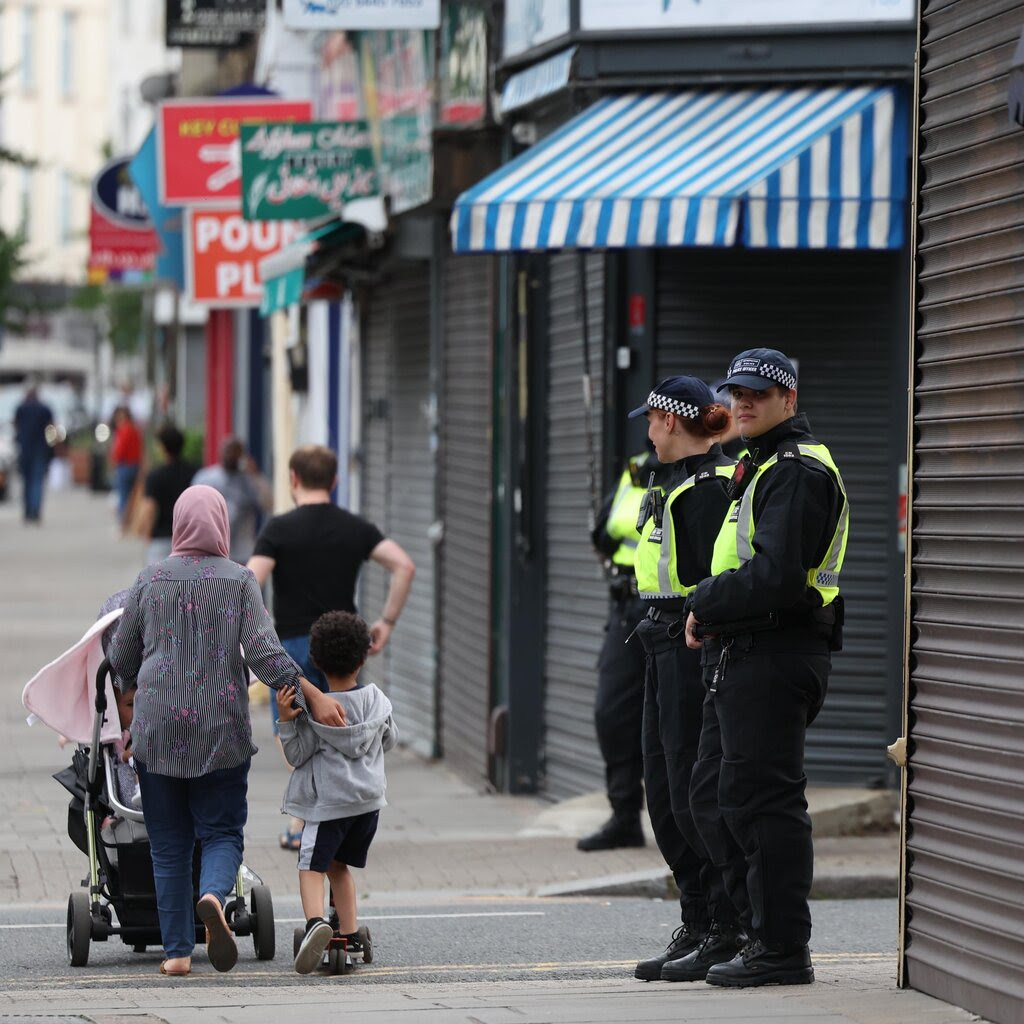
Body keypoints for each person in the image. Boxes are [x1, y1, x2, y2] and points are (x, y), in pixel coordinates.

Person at [109, 484, 346, 977]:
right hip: (220, 729)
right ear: (219, 524)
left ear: (178, 524)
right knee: (220, 833)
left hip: (159, 729)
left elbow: (121, 659)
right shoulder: (239, 581)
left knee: (168, 843)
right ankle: (213, 896)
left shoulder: (150, 579)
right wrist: (313, 694)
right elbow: (264, 654)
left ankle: (176, 954)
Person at [684, 348, 849, 988]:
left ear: (789, 401)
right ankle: (748, 930)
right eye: (736, 393)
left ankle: (782, 947)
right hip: (743, 650)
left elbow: (777, 578)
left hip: (777, 653)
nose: (743, 402)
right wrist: (716, 611)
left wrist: (703, 601)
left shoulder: (798, 471)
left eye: (758, 393)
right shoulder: (758, 467)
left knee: (766, 803)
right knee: (714, 795)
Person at [626, 376, 740, 984]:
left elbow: (711, 580)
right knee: (663, 789)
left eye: (649, 419)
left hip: (691, 647)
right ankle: (696, 918)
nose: (645, 430)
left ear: (670, 421)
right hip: (659, 641)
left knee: (691, 783)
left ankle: (723, 925)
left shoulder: (709, 489)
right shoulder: (668, 484)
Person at [248, 445, 413, 851]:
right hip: (342, 647)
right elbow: (403, 566)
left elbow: (250, 578)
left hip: (291, 648)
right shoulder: (355, 527)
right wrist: (386, 622)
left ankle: (305, 822)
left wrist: (259, 622)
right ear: (335, 482)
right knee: (346, 729)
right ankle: (343, 818)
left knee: (292, 731)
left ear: (293, 480)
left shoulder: (278, 529)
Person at [276, 610, 397, 974]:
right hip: (369, 804)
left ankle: (316, 925)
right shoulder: (378, 701)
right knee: (338, 867)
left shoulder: (317, 711)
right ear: (363, 657)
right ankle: (350, 933)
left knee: (310, 866)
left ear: (315, 661)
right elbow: (389, 740)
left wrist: (286, 720)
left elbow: (297, 755)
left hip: (328, 806)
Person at [577, 447, 676, 852]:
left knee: (676, 717)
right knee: (613, 713)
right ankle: (624, 816)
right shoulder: (637, 467)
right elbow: (608, 526)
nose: (652, 430)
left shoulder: (714, 467)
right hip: (626, 605)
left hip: (671, 605)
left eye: (659, 418)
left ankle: (684, 821)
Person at [192, 437, 271, 564]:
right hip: (212, 553)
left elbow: (268, 504)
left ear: (242, 455)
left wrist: (256, 475)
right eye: (227, 451)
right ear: (220, 453)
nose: (230, 456)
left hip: (242, 553)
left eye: (235, 452)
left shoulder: (249, 480)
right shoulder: (205, 478)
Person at [138, 424, 196, 564]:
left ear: (163, 447)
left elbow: (150, 508)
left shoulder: (155, 476)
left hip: (161, 539)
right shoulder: (194, 473)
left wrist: (146, 534)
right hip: (189, 538)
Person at [13, 383, 54, 523]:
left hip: (25, 449)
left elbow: (16, 425)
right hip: (40, 449)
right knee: (37, 481)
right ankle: (35, 511)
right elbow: (51, 427)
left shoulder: (21, 408)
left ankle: (28, 511)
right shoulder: (44, 408)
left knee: (27, 482)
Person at [110, 405, 143, 529]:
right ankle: (129, 522)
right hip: (134, 465)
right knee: (131, 496)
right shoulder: (135, 429)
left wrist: (115, 461)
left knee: (123, 496)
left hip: (124, 465)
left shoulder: (124, 430)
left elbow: (119, 450)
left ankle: (123, 523)